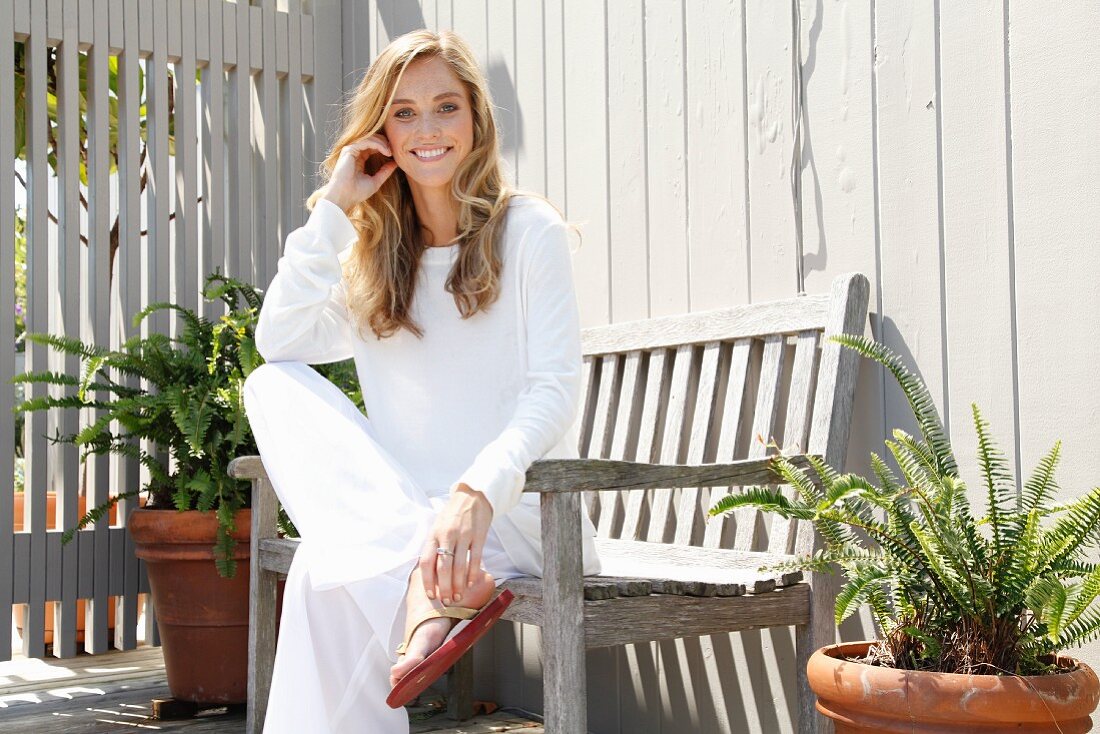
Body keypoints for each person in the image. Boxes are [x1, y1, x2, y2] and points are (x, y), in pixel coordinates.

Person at [241, 28, 602, 733]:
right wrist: (335, 206)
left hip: (517, 515)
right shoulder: (376, 261)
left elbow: (553, 390)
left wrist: (474, 494)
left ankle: (423, 587)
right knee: (270, 387)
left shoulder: (530, 232)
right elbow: (276, 342)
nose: (427, 129)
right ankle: (424, 592)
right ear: (380, 134)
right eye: (404, 113)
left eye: (445, 107)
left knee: (325, 573)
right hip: (404, 519)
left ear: (476, 120)